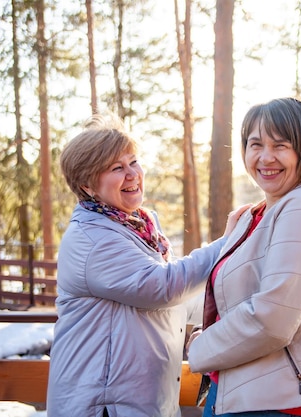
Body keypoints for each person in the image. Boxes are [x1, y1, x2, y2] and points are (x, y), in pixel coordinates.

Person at [46, 113, 248, 417]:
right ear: (87, 185)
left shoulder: (138, 225)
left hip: (144, 400)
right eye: (117, 168)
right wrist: (228, 241)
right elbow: (163, 287)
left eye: (133, 161)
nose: (132, 174)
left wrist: (236, 299)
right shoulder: (93, 239)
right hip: (104, 405)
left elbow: (175, 303)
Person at [187, 97, 301, 417]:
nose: (265, 157)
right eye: (255, 144)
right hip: (239, 390)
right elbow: (233, 297)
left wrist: (199, 349)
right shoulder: (255, 215)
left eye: (280, 145)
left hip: (282, 401)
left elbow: (272, 319)